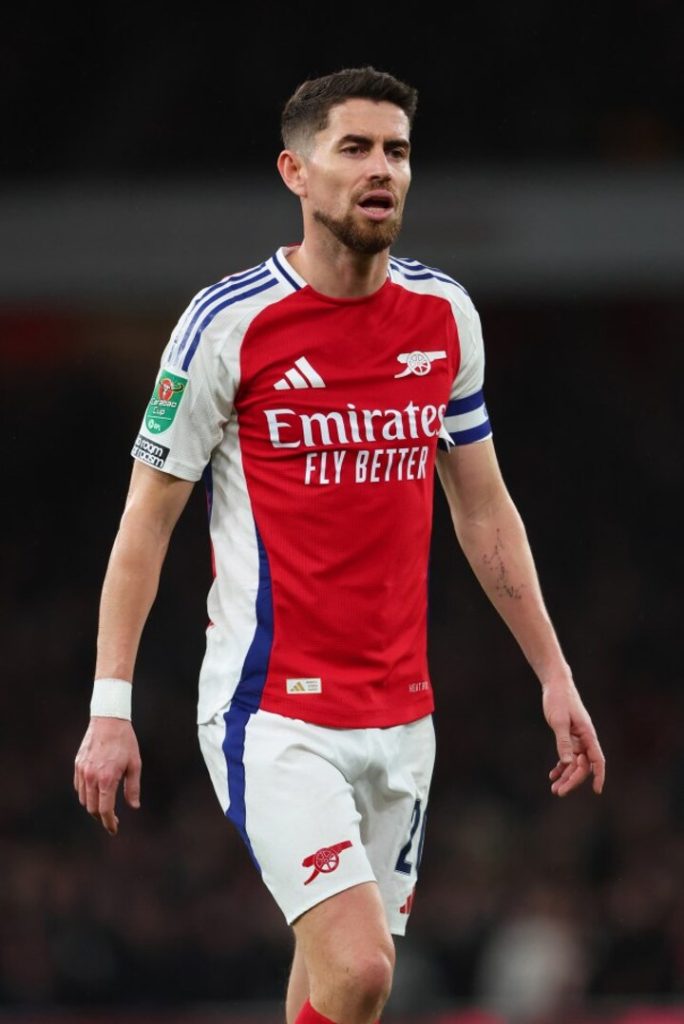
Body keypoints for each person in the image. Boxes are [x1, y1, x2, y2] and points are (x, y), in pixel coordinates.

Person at [74, 66, 606, 1024]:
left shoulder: (444, 315)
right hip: (273, 711)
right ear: (295, 171)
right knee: (362, 971)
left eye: (396, 151)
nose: (381, 170)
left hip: (403, 716)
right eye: (354, 148)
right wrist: (110, 707)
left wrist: (554, 675)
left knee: (330, 982)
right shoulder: (226, 324)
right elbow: (144, 525)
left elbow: (484, 509)